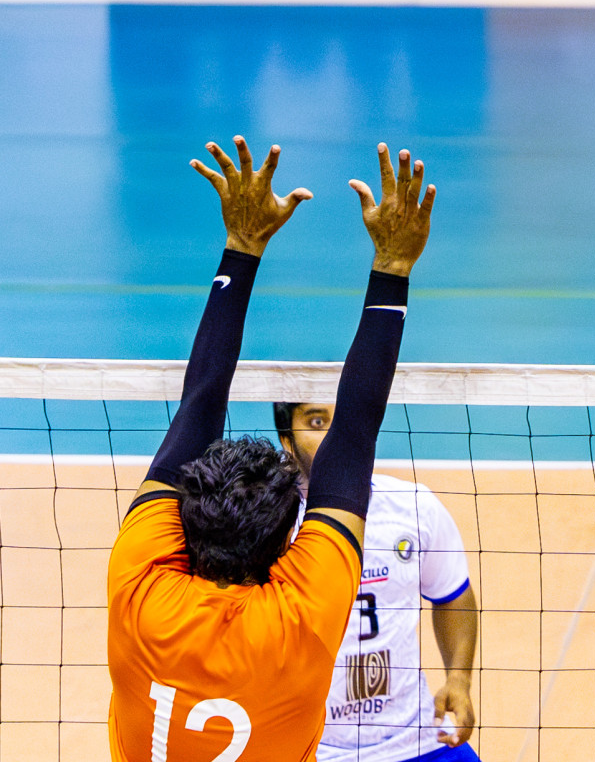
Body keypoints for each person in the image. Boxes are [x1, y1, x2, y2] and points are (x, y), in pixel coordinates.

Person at [107, 138, 435, 762]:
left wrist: (242, 247)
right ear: (287, 535)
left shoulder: (140, 584)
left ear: (184, 519)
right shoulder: (300, 616)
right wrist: (393, 263)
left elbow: (200, 403)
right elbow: (355, 435)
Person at [274, 399, 481, 762]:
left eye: (344, 418)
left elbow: (453, 595)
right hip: (314, 750)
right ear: (287, 441)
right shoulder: (268, 525)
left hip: (417, 739)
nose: (336, 436)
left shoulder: (413, 506)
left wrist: (458, 679)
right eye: (317, 420)